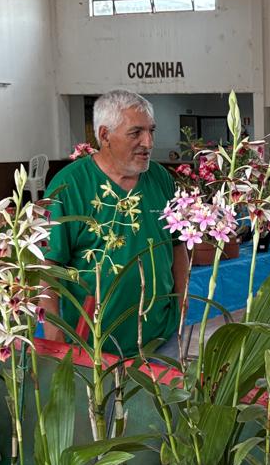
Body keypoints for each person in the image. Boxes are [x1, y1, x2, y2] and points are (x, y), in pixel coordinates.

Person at [42, 89, 189, 358]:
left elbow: (178, 246)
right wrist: (54, 332)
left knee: (161, 402)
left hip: (161, 339)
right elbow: (48, 265)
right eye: (136, 133)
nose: (149, 142)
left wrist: (181, 304)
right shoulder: (69, 186)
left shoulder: (161, 180)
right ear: (104, 136)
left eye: (151, 131)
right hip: (93, 346)